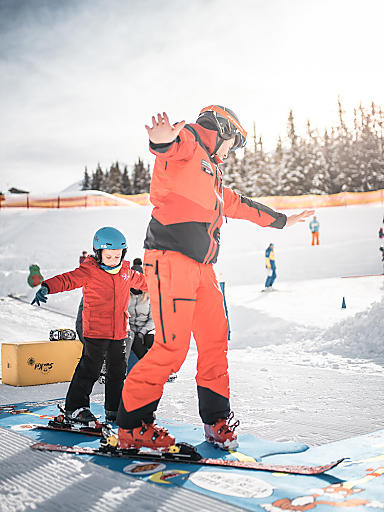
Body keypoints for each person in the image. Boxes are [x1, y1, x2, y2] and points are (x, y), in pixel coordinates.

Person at [116, 105, 314, 451]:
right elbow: (170, 149)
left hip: (203, 268)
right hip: (170, 258)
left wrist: (283, 220)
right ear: (223, 129)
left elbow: (242, 205)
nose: (231, 153)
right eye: (233, 144)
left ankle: (216, 420)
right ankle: (132, 427)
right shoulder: (190, 141)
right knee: (172, 348)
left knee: (214, 340)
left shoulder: (215, 177)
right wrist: (161, 142)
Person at [31, 226, 147, 424]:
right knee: (90, 370)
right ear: (98, 253)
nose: (113, 261)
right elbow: (67, 279)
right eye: (108, 257)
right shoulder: (89, 271)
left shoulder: (126, 272)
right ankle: (76, 408)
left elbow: (146, 282)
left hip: (119, 331)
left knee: (118, 372)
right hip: (96, 331)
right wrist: (47, 286)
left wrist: (167, 288)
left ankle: (114, 408)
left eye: (117, 256)